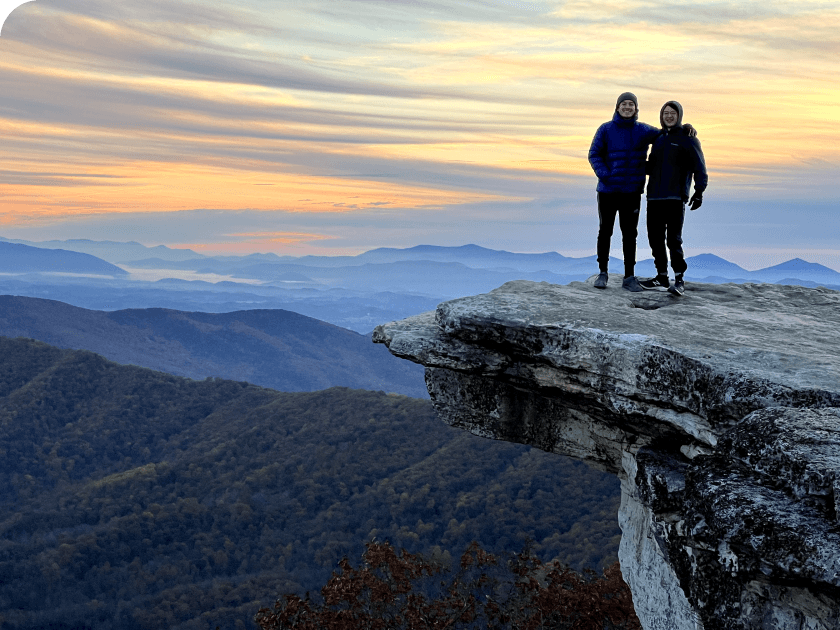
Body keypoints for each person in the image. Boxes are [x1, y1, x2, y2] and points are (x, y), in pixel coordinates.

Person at [588, 93, 668, 291]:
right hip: (607, 190)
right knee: (605, 231)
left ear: (636, 108)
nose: (627, 107)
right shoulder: (605, 129)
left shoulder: (643, 130)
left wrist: (685, 129)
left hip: (631, 192)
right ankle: (603, 273)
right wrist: (605, 175)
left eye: (631, 104)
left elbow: (665, 134)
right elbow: (594, 154)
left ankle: (629, 276)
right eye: (624, 104)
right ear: (617, 107)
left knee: (630, 234)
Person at [639, 101, 708, 296]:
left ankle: (679, 279)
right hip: (654, 196)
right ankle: (661, 276)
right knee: (655, 239)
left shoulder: (688, 139)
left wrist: (699, 191)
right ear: (661, 116)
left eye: (673, 113)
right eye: (665, 113)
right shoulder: (659, 138)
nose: (669, 116)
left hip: (675, 197)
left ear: (679, 116)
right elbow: (651, 167)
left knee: (673, 240)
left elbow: (699, 168)